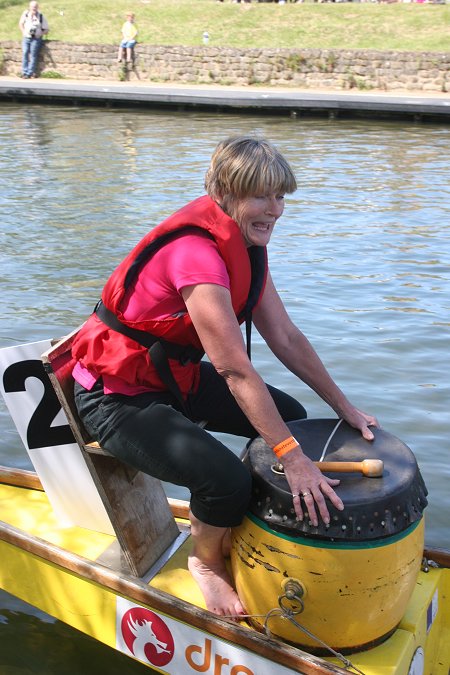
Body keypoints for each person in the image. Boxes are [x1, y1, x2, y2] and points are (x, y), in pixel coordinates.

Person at [71, 136, 378, 617]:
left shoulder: (246, 242)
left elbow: (286, 338)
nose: (274, 210)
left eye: (280, 196)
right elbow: (234, 368)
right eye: (261, 196)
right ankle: (207, 559)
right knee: (228, 479)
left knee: (291, 418)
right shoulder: (196, 255)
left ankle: (235, 520)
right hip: (115, 398)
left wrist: (344, 407)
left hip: (173, 378)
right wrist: (292, 460)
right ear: (225, 193)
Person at [18, 1, 49, 79]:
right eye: (32, 7)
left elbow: (46, 29)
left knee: (33, 55)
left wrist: (40, 34)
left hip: (36, 39)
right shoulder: (25, 14)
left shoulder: (40, 16)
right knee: (25, 53)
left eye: (35, 7)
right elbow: (20, 24)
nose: (33, 8)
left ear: (37, 7)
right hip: (26, 37)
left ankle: (29, 73)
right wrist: (23, 32)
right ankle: (24, 72)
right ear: (29, 7)